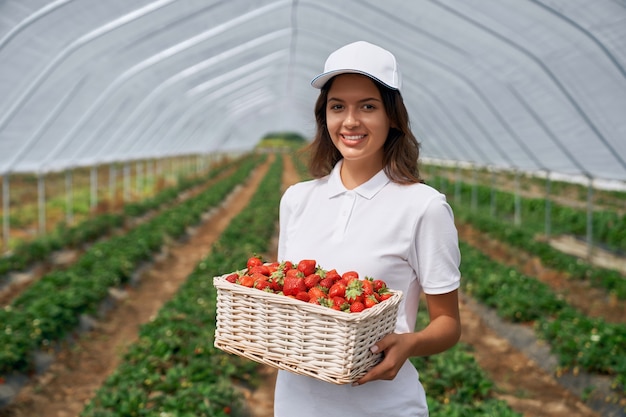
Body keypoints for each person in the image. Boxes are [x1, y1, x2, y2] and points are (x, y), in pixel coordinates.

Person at [275, 40, 462, 416]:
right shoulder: (297, 200)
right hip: (297, 404)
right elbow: (287, 303)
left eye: (368, 106)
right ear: (323, 116)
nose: (350, 121)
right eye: (337, 106)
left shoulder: (423, 206)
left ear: (392, 116)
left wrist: (409, 343)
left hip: (382, 406)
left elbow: (448, 323)